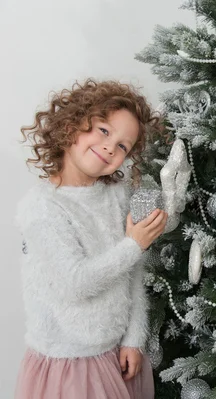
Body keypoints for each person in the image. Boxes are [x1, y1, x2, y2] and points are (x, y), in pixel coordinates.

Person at [15, 79, 167, 399]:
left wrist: (133, 340)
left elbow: (133, 274)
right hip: (70, 365)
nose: (111, 147)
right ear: (73, 124)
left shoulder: (116, 195)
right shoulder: (42, 206)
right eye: (104, 130)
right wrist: (134, 244)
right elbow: (75, 282)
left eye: (124, 146)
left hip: (116, 358)